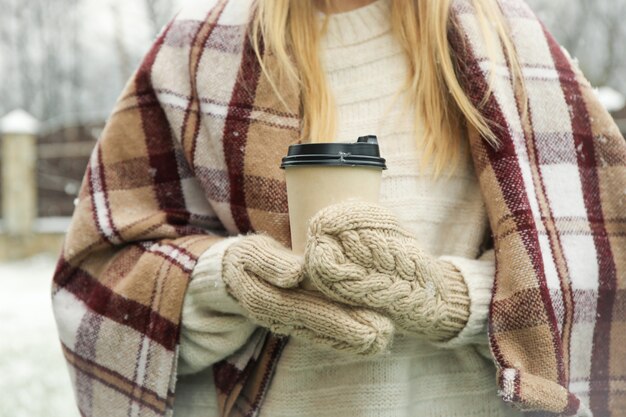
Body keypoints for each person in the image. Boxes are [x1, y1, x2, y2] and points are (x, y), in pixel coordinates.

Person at [51, 0, 626, 416]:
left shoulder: (510, 45)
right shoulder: (198, 50)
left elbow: (603, 262)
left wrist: (455, 300)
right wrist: (224, 284)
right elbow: (99, 277)